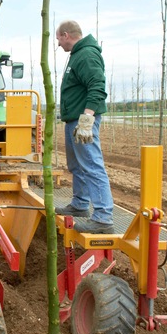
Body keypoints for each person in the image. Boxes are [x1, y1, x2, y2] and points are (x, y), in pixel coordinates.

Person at [55, 20, 114, 234]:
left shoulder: (87, 54)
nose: (59, 44)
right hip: (74, 120)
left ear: (66, 35)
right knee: (77, 165)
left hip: (83, 120)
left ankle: (103, 217)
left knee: (91, 164)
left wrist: (87, 119)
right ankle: (80, 204)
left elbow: (97, 85)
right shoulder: (77, 55)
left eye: (59, 39)